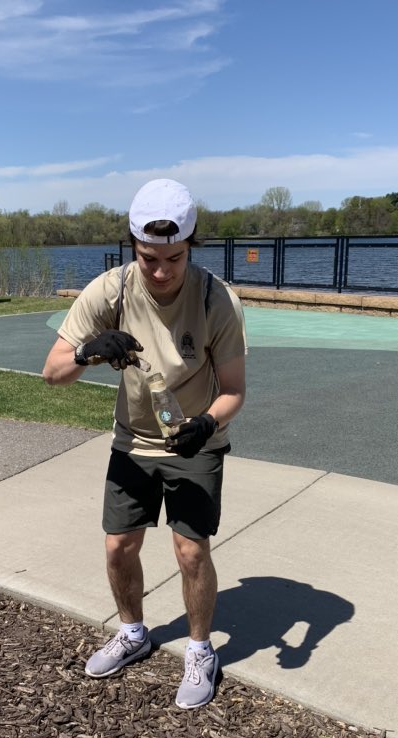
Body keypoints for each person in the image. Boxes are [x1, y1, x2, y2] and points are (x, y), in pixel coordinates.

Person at [42, 178, 247, 709]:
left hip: (193, 442)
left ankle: (201, 651)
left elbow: (235, 391)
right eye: (147, 258)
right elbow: (53, 372)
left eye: (173, 259)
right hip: (133, 440)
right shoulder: (110, 290)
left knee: (190, 551)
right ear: (132, 248)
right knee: (118, 544)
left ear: (191, 245)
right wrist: (89, 352)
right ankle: (133, 633)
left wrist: (206, 423)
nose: (160, 271)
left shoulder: (216, 299)